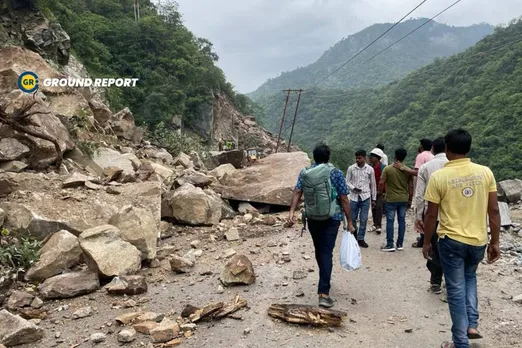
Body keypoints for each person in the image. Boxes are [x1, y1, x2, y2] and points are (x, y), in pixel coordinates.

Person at [423, 129, 501, 348]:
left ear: (447, 149)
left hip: (451, 241)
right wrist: (495, 241)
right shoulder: (485, 172)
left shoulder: (439, 176)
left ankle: (460, 342)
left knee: (455, 288)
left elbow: (431, 214)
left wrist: (427, 242)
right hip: (477, 241)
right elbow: (494, 210)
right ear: (469, 148)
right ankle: (472, 325)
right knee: (470, 279)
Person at [288, 144, 355, 308]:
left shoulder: (305, 173)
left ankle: (324, 278)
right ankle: (324, 293)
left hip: (312, 217)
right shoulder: (335, 173)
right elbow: (344, 198)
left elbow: (297, 191)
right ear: (328, 157)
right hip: (332, 217)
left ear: (314, 157)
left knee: (320, 250)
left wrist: (291, 213)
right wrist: (350, 222)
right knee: (326, 251)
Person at [413, 137, 448, 294]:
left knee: (434, 247)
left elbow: (419, 195)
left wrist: (418, 217)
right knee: (449, 248)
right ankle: (451, 281)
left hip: (431, 214)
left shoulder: (426, 167)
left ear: (433, 148)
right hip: (451, 215)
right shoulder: (454, 165)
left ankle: (435, 282)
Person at [379, 148, 413, 252]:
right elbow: (410, 186)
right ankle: (400, 244)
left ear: (395, 156)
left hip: (391, 199)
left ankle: (390, 244)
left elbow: (381, 182)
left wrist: (380, 193)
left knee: (390, 221)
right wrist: (410, 200)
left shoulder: (388, 169)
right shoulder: (407, 170)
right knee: (401, 221)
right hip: (403, 199)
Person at [346, 150, 377, 248]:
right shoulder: (351, 168)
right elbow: (347, 181)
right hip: (354, 196)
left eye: (359, 158)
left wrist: (374, 198)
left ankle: (361, 238)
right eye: (356, 158)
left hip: (365, 196)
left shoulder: (370, 169)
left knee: (363, 219)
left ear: (365, 158)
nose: (357, 160)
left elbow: (373, 184)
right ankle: (354, 236)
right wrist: (353, 188)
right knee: (353, 218)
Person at [368, 148, 386, 234]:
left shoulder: (382, 167)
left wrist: (381, 190)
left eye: (372, 157)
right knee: (373, 207)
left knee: (379, 207)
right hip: (371, 190)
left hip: (380, 191)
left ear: (377, 158)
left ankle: (378, 225)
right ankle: (375, 224)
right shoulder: (369, 167)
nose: (370, 158)